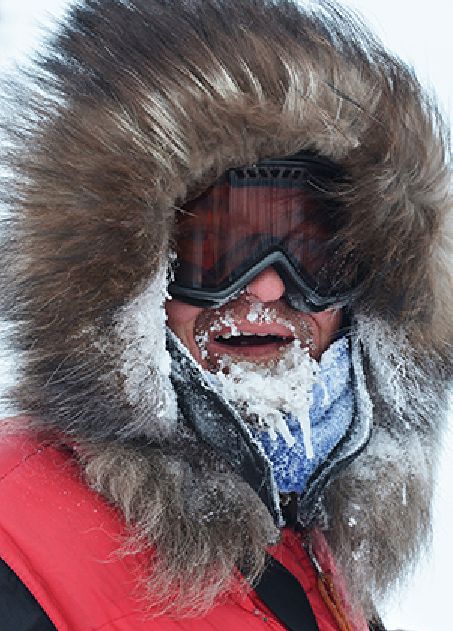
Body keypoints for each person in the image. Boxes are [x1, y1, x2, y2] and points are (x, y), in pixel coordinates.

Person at [0, 0, 451, 630]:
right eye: (215, 247)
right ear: (120, 280)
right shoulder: (17, 542)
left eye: (313, 253)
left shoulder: (311, 537)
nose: (267, 286)